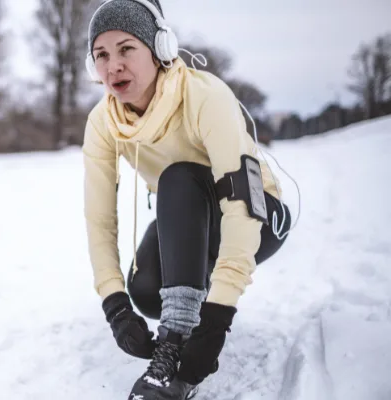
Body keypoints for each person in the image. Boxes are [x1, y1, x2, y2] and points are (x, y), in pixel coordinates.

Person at [82, 0, 293, 399]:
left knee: (177, 176)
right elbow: (99, 218)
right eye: (101, 55)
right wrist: (114, 303)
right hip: (188, 219)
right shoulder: (103, 122)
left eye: (126, 49)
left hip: (258, 213)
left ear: (160, 47)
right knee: (145, 292)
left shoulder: (204, 96)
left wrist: (216, 319)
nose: (113, 66)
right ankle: (186, 304)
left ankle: (173, 349)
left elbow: (242, 203)